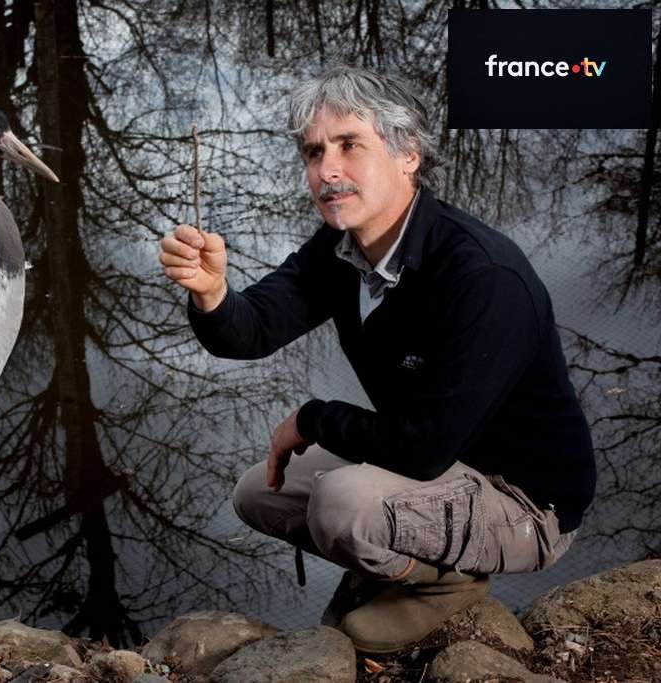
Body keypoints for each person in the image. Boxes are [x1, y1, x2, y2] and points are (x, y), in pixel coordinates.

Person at [158, 65, 596, 653]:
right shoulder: (343, 250)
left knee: (342, 504)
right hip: (435, 465)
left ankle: (443, 584)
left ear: (407, 153)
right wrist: (211, 293)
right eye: (314, 152)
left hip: (524, 500)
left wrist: (313, 419)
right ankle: (408, 557)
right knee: (258, 493)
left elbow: (422, 446)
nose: (327, 171)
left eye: (349, 146)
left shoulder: (482, 275)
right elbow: (252, 330)